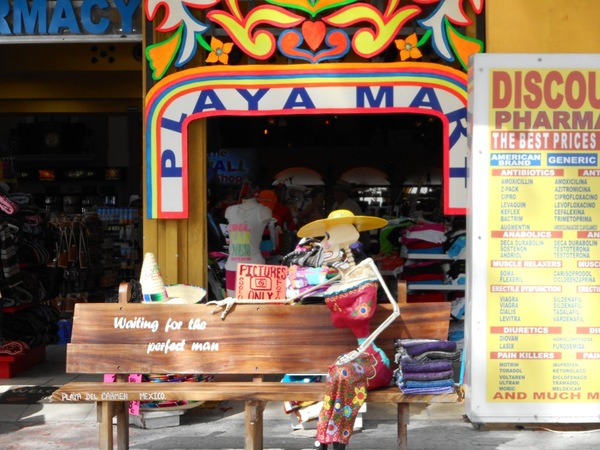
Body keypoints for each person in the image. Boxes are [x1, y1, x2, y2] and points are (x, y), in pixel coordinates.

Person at [224, 189, 272, 297]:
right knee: (232, 303)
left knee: (254, 304)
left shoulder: (263, 211)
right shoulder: (230, 210)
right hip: (232, 266)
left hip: (254, 266)